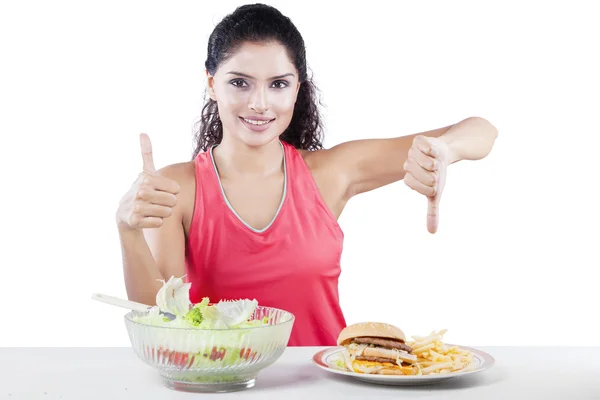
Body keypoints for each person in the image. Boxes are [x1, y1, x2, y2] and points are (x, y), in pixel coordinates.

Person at [116, 3, 498, 346]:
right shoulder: (177, 188)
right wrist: (127, 229)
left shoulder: (330, 173)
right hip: (223, 387)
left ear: (297, 89)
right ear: (212, 83)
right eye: (239, 82)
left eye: (278, 84)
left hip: (326, 386)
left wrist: (445, 151)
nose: (260, 103)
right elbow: (162, 322)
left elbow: (480, 129)